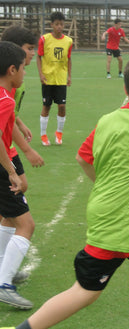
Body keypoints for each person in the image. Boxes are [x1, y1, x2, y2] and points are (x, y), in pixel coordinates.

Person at [4, 58, 129, 329]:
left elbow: (83, 158)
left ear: (125, 88)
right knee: (85, 292)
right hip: (116, 222)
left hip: (123, 218)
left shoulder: (108, 119)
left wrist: (104, 184)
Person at [0, 26, 45, 288]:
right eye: (29, 50)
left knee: (13, 207)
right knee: (24, 220)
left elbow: (7, 114)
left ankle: (6, 266)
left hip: (7, 150)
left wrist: (19, 122)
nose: (32, 55)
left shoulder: (10, 84)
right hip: (5, 153)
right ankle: (4, 282)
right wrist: (14, 166)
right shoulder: (9, 84)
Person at [0, 41, 34, 310]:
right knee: (26, 225)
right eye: (23, 67)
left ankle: (4, 273)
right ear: (12, 69)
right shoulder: (4, 99)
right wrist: (11, 171)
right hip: (0, 169)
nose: (25, 72)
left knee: (10, 218)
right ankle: (4, 284)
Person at [37, 11, 73, 146]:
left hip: (61, 79)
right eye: (57, 24)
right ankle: (43, 135)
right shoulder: (44, 39)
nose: (59, 26)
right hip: (47, 79)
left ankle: (59, 133)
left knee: (62, 106)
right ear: (52, 25)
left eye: (61, 24)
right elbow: (39, 57)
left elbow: (69, 59)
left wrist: (69, 76)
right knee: (46, 106)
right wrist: (41, 74)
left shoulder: (68, 41)